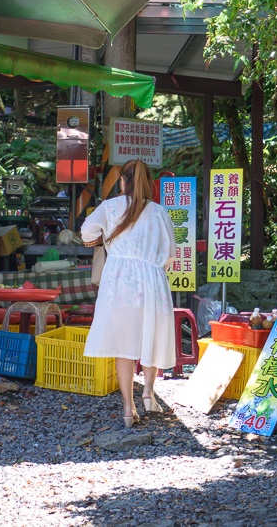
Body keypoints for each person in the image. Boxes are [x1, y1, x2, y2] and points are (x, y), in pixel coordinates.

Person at [80, 159, 177, 430]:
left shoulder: (109, 207)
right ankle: (148, 393)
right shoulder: (158, 212)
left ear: (122, 181)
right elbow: (170, 253)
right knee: (151, 336)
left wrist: (103, 241)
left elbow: (87, 232)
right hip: (151, 279)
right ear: (148, 183)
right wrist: (154, 266)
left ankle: (127, 407)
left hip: (119, 279)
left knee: (124, 344)